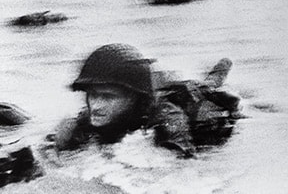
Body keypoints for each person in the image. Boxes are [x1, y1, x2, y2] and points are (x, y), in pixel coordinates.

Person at [46, 43, 242, 158]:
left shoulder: (168, 117)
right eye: (92, 94)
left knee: (207, 88)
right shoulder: (91, 115)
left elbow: (182, 170)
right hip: (155, 89)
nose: (95, 105)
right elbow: (51, 150)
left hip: (195, 112)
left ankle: (220, 71)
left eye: (107, 96)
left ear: (133, 96)